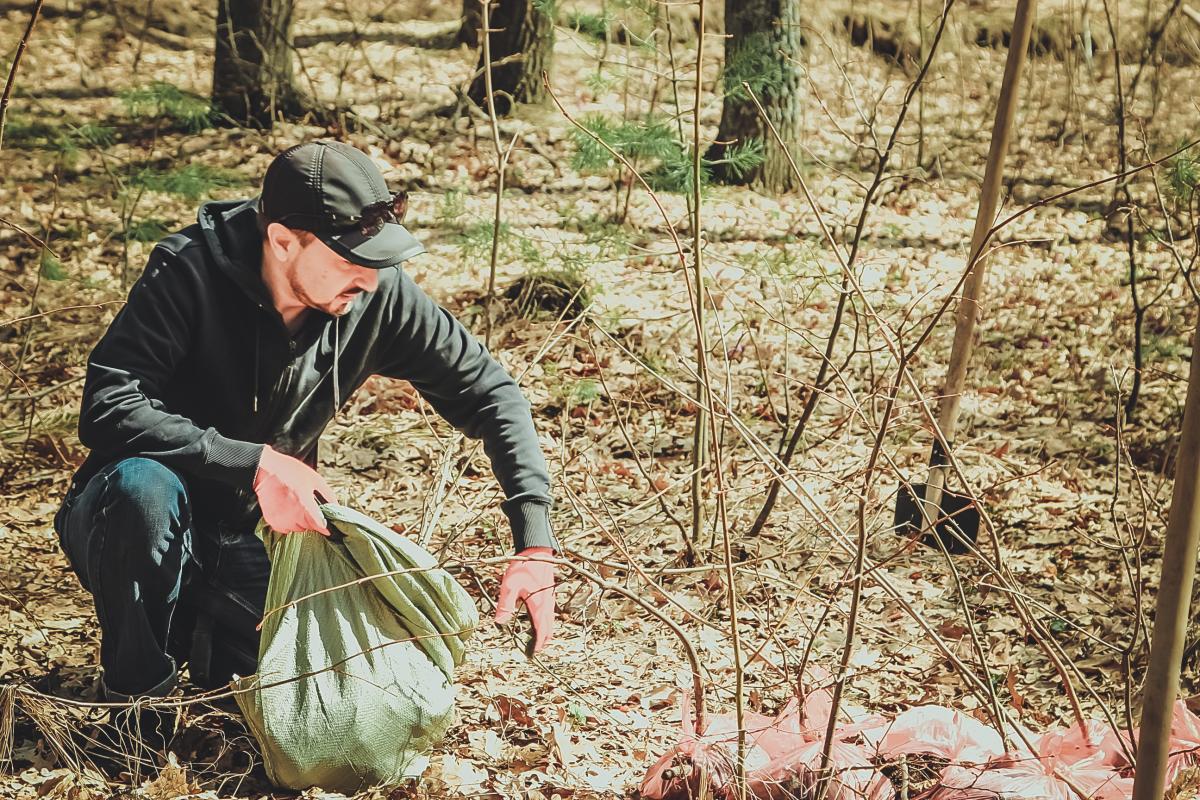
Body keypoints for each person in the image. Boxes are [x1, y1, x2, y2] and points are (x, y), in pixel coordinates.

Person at [52, 140, 559, 724]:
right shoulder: (187, 271)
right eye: (350, 261)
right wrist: (256, 462)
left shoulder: (377, 294)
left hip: (255, 539)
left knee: (348, 695)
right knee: (145, 489)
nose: (368, 281)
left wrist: (534, 542)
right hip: (130, 517)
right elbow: (107, 403)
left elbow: (493, 393)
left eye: (377, 262)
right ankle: (135, 707)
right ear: (283, 240)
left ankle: (207, 636)